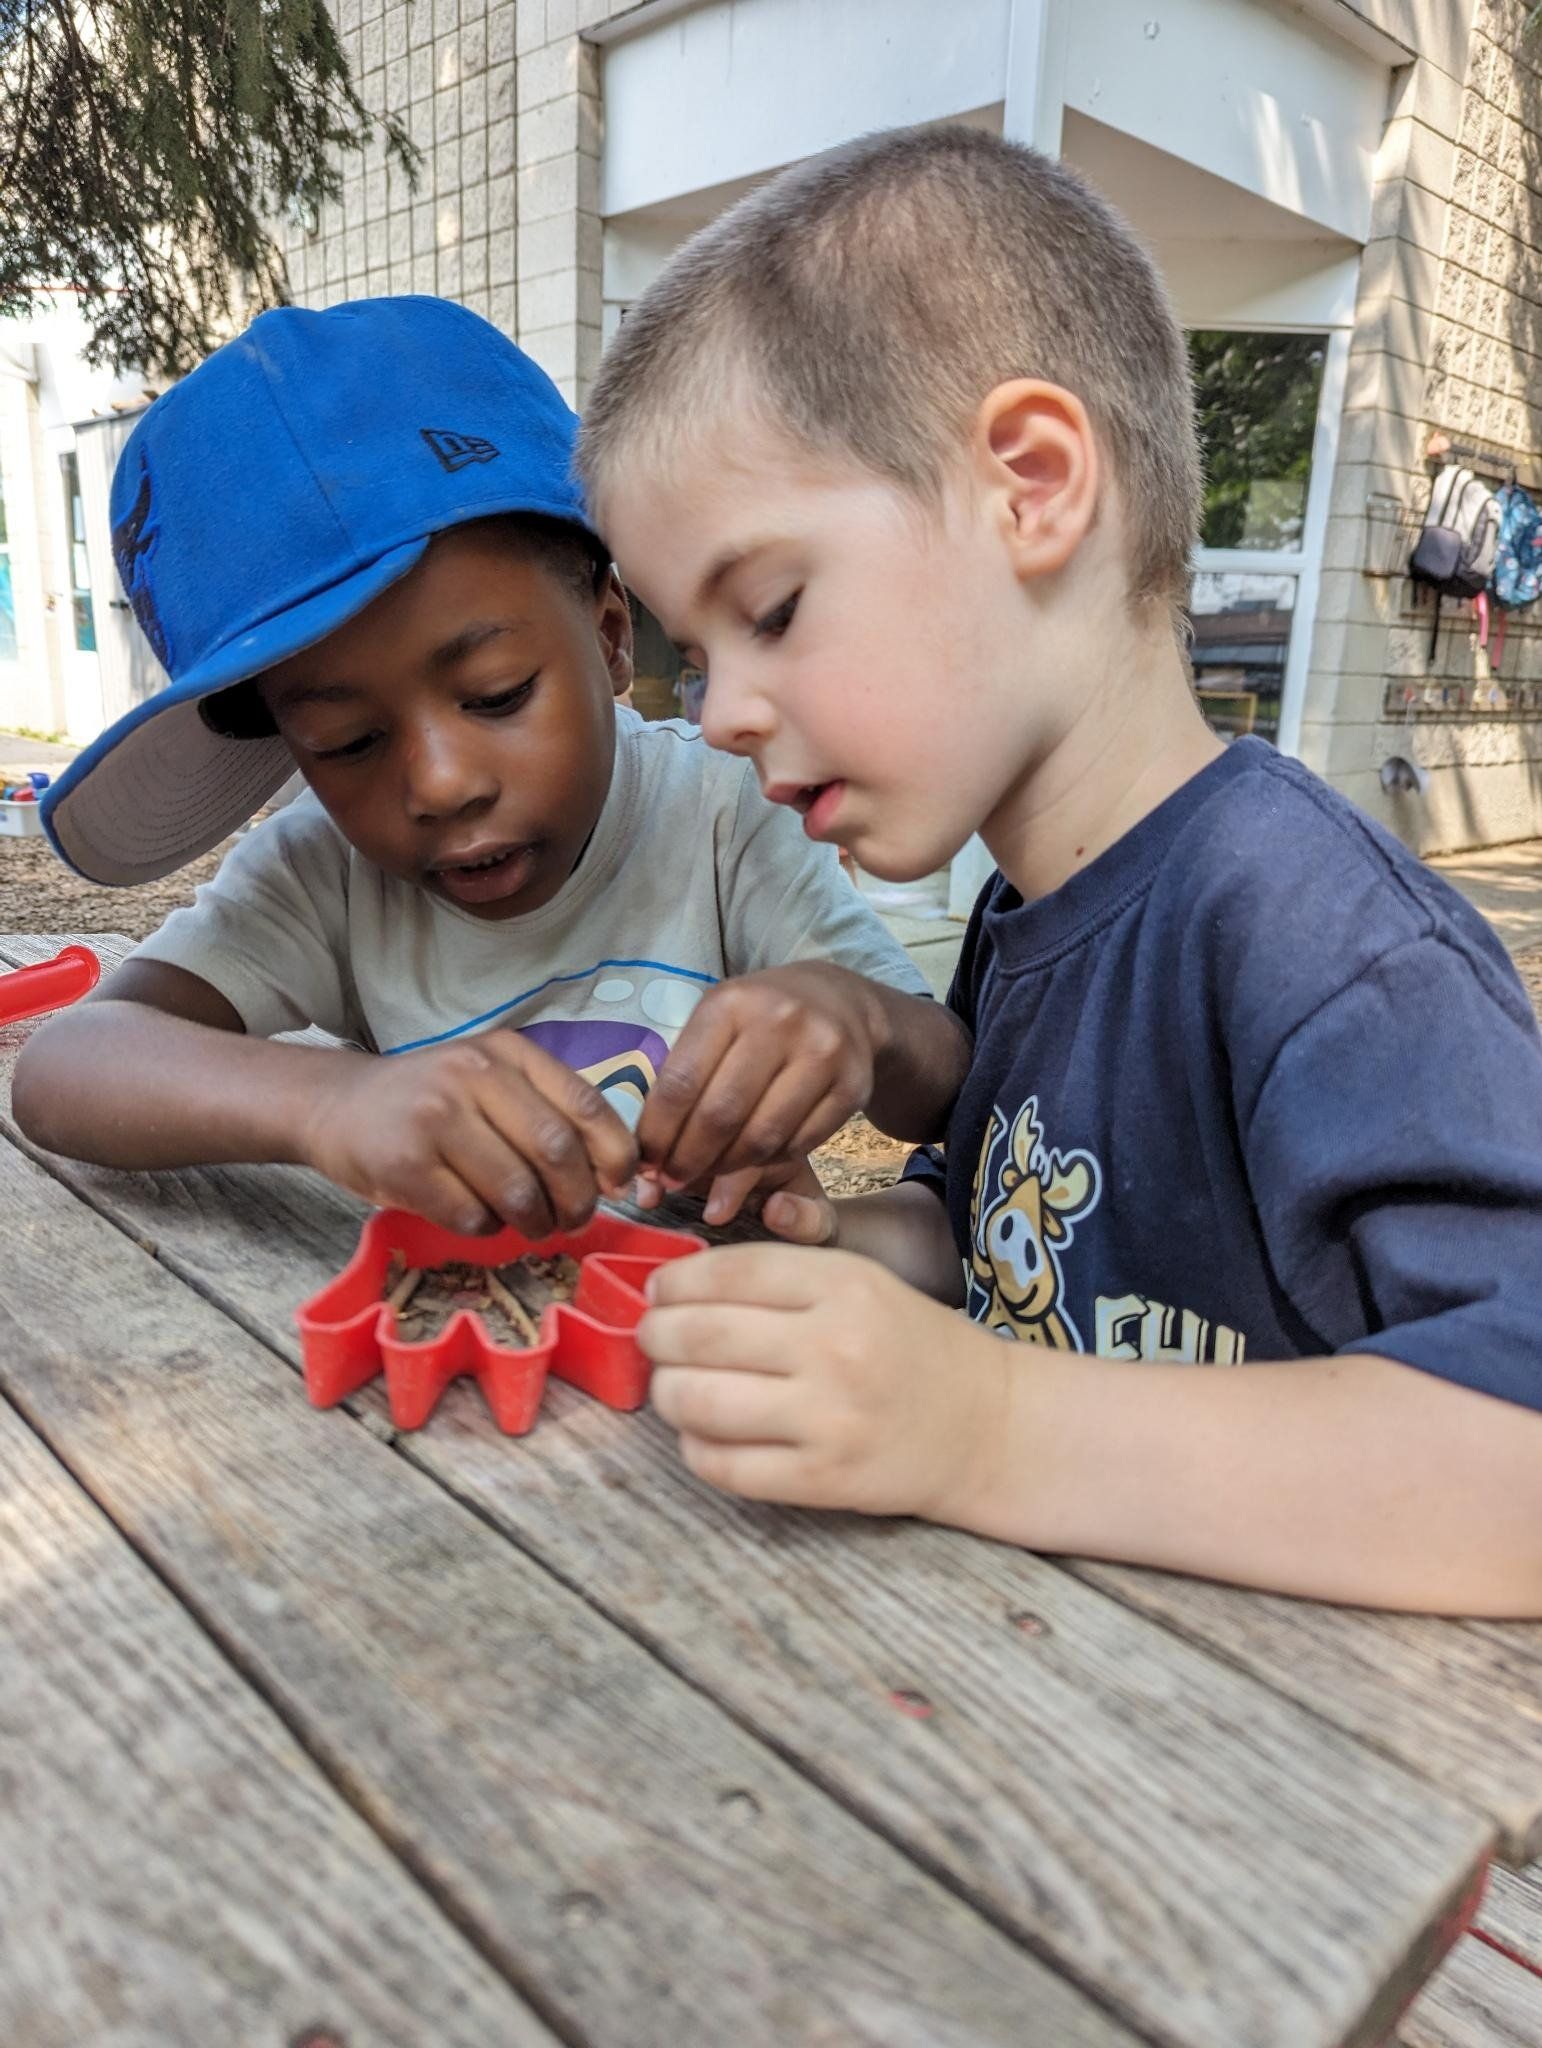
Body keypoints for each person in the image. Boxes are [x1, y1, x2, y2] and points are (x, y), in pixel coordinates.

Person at [576, 125, 1542, 1615]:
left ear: (1030, 486)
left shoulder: (1318, 936)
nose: (715, 715)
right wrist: (834, 1252)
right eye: (694, 659)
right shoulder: (1028, 922)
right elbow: (1001, 1246)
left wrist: (981, 1427)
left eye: (768, 608)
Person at [14, 296, 969, 1242]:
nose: (441, 783)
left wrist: (858, 1022)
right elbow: (67, 1066)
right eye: (348, 744)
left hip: (710, 1351)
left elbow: (941, 1088)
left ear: (608, 637)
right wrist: (332, 1104)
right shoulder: (328, 876)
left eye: (499, 692)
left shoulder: (720, 809)